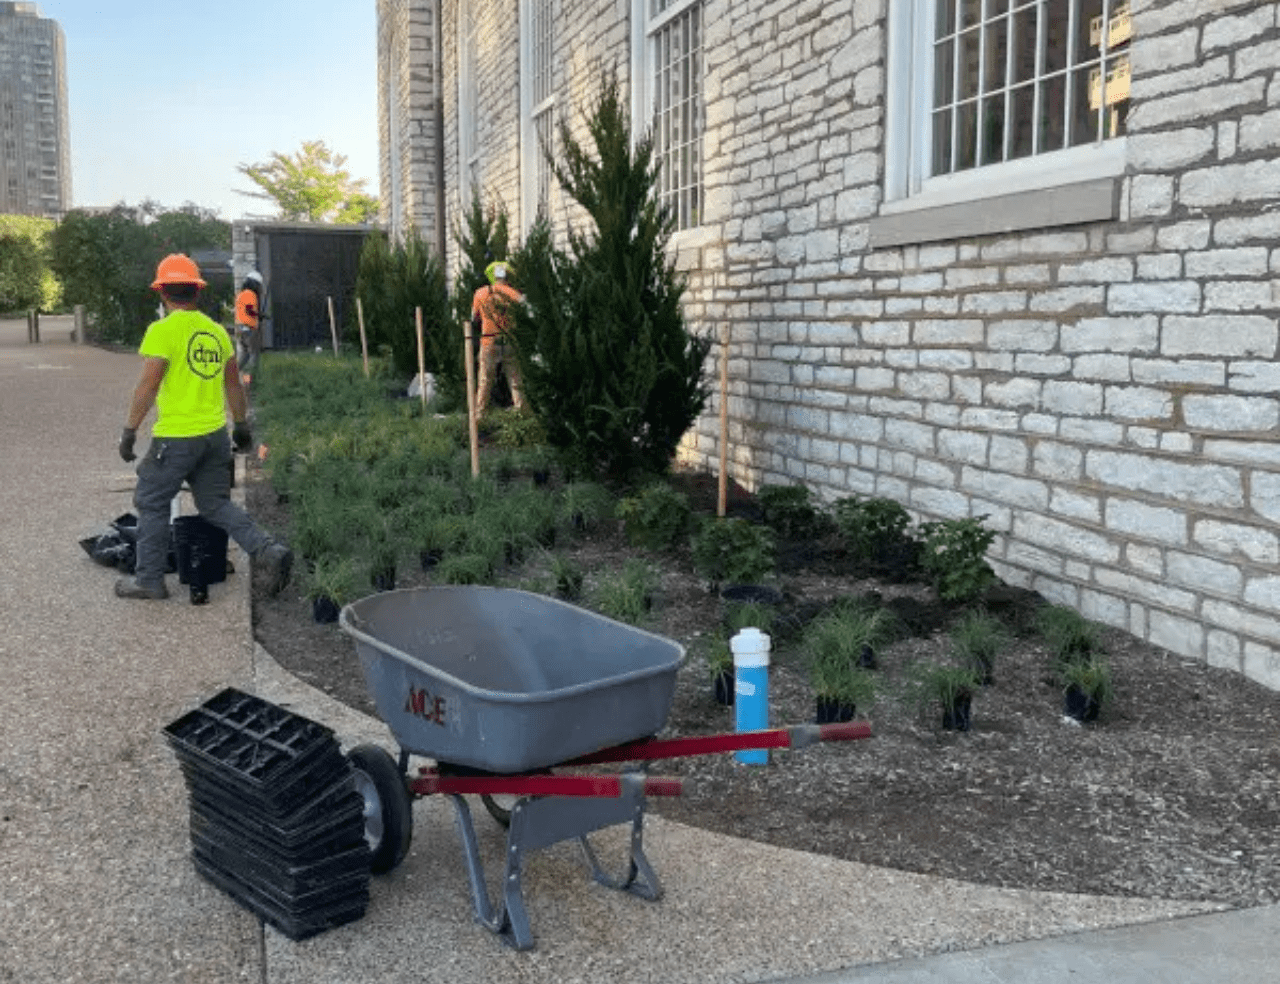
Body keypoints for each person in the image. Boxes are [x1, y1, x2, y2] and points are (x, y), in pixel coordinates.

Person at [115, 254, 292, 600]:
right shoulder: (216, 332)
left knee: (151, 501)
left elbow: (148, 385)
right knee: (215, 504)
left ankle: (148, 581)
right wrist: (240, 424)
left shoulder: (162, 331)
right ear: (197, 291)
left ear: (162, 292)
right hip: (214, 437)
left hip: (176, 439)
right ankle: (268, 550)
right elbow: (233, 385)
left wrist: (129, 430)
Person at [471, 260, 527, 414]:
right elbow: (524, 305)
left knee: (485, 379)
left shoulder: (480, 293)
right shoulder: (511, 292)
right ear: (507, 276)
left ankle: (479, 413)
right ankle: (522, 410)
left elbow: (474, 317)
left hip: (488, 340)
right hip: (507, 340)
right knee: (515, 378)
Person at [233, 270, 264, 384]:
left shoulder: (240, 294)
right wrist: (260, 315)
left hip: (240, 327)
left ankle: (233, 375)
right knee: (253, 354)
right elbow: (249, 310)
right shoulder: (250, 294)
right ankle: (250, 380)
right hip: (249, 328)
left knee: (244, 354)